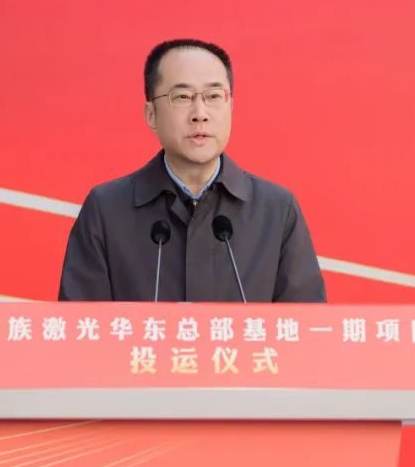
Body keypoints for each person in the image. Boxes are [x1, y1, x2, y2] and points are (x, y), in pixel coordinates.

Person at [58, 39, 326, 303]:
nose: (200, 113)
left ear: (231, 107)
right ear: (151, 114)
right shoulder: (107, 210)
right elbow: (82, 326)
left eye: (213, 96)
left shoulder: (276, 210)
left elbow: (304, 325)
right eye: (183, 97)